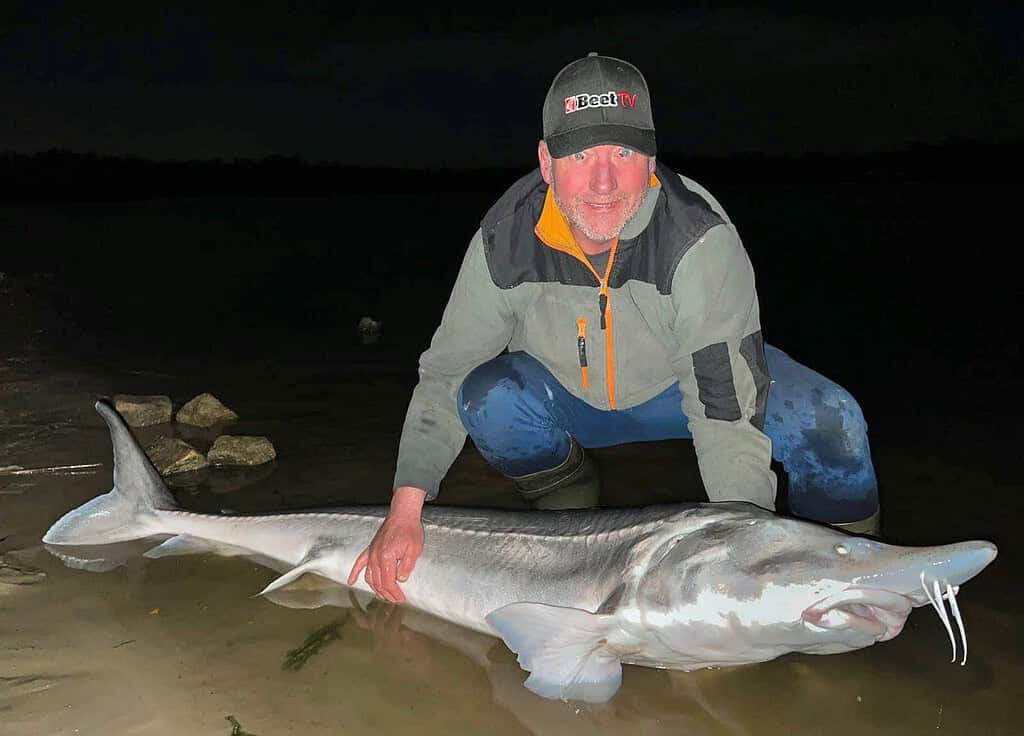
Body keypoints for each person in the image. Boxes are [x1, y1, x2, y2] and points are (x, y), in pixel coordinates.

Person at [349, 52, 880, 603]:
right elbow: (446, 373)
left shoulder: (697, 238)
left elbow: (724, 411)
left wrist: (739, 562)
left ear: (650, 159)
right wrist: (405, 509)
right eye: (579, 154)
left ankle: (847, 587)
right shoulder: (504, 240)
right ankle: (567, 521)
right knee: (485, 396)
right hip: (570, 398)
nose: (603, 182)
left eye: (623, 152)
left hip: (680, 392)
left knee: (830, 421)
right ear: (547, 161)